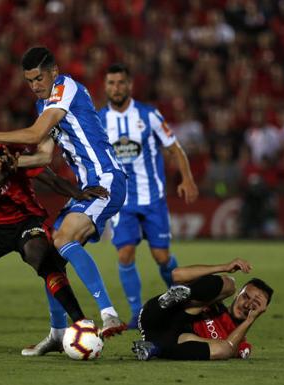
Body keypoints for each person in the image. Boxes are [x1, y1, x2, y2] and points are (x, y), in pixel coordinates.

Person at [0, 46, 129, 350]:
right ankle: (58, 333)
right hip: (87, 183)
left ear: (53, 71)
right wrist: (9, 164)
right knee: (51, 256)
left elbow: (35, 135)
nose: (34, 86)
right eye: (29, 81)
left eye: (38, 78)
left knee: (62, 238)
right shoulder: (44, 105)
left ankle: (109, 314)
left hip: (106, 179)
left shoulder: (66, 87)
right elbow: (43, 156)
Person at [0, 109, 108, 356]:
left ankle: (80, 322)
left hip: (27, 219)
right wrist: (3, 176)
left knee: (41, 256)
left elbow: (47, 177)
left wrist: (78, 192)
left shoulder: (7, 146)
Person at [98, 63, 199, 329]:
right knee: (125, 254)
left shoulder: (149, 114)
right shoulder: (99, 120)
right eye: (111, 83)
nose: (116, 88)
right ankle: (137, 314)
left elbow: (175, 148)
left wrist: (187, 178)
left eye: (121, 83)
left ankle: (183, 301)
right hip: (121, 200)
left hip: (152, 198)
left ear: (129, 85)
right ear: (105, 87)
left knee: (162, 257)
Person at [132, 258, 273, 360]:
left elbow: (230, 349)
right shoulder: (213, 300)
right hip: (158, 313)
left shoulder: (239, 341)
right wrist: (224, 267)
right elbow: (177, 275)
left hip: (165, 340)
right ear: (238, 295)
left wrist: (250, 320)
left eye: (255, 305)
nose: (247, 305)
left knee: (225, 349)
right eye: (246, 297)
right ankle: (184, 294)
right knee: (229, 284)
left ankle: (154, 349)